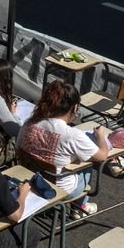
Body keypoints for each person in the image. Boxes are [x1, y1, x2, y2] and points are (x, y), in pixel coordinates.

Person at [19, 80, 110, 215]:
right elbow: (102, 155)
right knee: (87, 164)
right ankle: (80, 207)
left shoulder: (30, 122)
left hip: (28, 177)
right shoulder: (72, 135)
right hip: (59, 188)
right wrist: (101, 136)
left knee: (71, 158)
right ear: (74, 108)